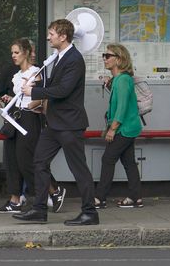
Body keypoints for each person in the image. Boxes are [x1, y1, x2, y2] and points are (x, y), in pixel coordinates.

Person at [13, 19, 99, 225]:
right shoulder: (60, 57)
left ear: (63, 36)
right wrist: (39, 82)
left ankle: (90, 213)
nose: (49, 36)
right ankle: (40, 209)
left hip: (69, 123)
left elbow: (63, 90)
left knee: (78, 168)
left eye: (52, 33)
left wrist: (34, 91)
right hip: (54, 123)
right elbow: (56, 84)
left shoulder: (74, 59)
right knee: (39, 162)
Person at [0, 38, 66, 214]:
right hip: (16, 117)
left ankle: (42, 196)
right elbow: (17, 96)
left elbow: (41, 98)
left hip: (29, 119)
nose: (13, 56)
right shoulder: (16, 75)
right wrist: (7, 102)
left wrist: (32, 104)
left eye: (16, 52)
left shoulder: (35, 72)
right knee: (14, 160)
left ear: (25, 52)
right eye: (12, 53)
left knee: (27, 161)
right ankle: (25, 199)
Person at [94, 43, 143, 209]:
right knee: (128, 161)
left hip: (124, 128)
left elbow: (121, 107)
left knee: (108, 159)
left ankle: (100, 198)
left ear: (119, 59)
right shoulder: (119, 80)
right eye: (104, 56)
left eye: (108, 56)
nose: (104, 59)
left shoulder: (122, 80)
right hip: (129, 128)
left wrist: (112, 129)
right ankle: (135, 197)